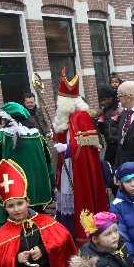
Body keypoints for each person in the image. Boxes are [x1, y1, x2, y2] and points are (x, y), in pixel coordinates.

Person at [51, 69, 109, 243]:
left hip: (78, 167)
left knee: (79, 197)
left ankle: (81, 233)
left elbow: (87, 147)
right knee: (67, 196)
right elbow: (66, 134)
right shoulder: (68, 116)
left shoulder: (81, 116)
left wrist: (67, 148)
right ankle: (68, 231)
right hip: (68, 166)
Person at [0, 102, 56, 224]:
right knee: (36, 221)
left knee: (13, 224)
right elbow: (48, 161)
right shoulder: (38, 137)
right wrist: (51, 184)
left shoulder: (1, 137)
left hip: (13, 190)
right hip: (37, 188)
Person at [95, 85, 122, 168]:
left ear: (111, 98)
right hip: (110, 145)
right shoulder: (103, 112)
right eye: (101, 100)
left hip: (120, 145)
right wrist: (97, 120)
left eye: (105, 100)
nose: (103, 102)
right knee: (108, 167)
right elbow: (102, 131)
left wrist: (121, 115)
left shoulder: (119, 109)